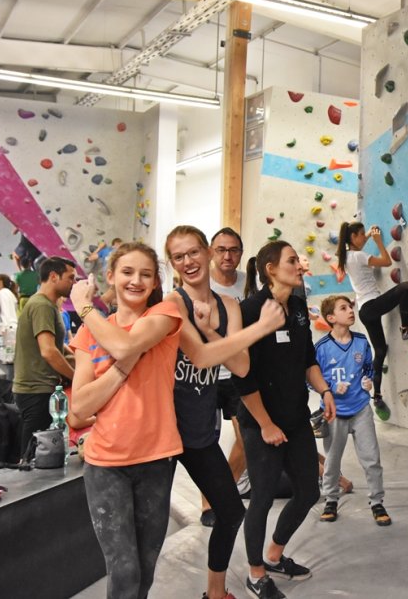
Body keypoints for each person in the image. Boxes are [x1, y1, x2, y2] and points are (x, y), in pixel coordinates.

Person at [164, 225, 286, 599]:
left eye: (193, 252)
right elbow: (199, 356)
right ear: (172, 263)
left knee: (231, 512)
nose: (188, 262)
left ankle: (215, 594)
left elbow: (242, 366)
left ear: (207, 253)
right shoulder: (172, 304)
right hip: (163, 431)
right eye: (179, 256)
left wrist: (214, 331)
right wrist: (261, 327)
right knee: (149, 531)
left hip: (198, 431)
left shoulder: (228, 305)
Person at [69, 242, 182, 599]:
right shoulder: (90, 333)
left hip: (156, 458)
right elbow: (78, 409)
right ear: (111, 276)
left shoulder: (164, 314)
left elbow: (120, 346)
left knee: (145, 571)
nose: (136, 281)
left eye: (146, 274)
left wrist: (84, 306)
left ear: (154, 283)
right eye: (128, 272)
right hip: (106, 465)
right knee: (123, 570)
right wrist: (122, 371)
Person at [235, 241, 336, 599]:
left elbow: (308, 358)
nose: (299, 266)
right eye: (292, 261)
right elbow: (242, 378)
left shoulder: (297, 307)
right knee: (261, 496)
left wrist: (324, 391)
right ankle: (255, 573)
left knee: (309, 490)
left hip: (294, 417)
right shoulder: (249, 310)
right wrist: (265, 424)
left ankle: (274, 554)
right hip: (260, 421)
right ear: (270, 269)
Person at [314, 295, 390, 527]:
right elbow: (310, 379)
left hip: (360, 409)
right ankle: (331, 500)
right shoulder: (322, 348)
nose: (350, 311)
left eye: (351, 307)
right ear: (331, 317)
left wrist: (368, 381)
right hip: (334, 412)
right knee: (333, 460)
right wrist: (329, 388)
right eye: (344, 308)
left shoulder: (361, 342)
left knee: (371, 458)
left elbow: (368, 367)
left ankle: (377, 502)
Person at [336, 222, 408, 422]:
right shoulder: (358, 256)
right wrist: (378, 241)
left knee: (381, 351)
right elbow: (385, 261)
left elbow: (358, 243)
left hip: (365, 310)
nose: (363, 239)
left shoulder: (347, 256)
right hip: (372, 305)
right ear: (353, 237)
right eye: (360, 235)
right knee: (406, 287)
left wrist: (367, 234)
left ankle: (376, 396)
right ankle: (406, 327)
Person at [12, 257, 76, 456]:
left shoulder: (47, 305)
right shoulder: (42, 306)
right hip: (36, 390)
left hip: (38, 389)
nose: (73, 283)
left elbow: (57, 345)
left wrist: (76, 356)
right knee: (32, 455)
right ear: (54, 276)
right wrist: (76, 377)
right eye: (70, 278)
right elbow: (48, 351)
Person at [208, 227, 251, 506]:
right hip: (207, 374)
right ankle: (209, 504)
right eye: (221, 249)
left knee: (247, 439)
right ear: (212, 252)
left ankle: (226, 491)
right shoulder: (202, 285)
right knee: (205, 446)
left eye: (233, 250)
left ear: (241, 254)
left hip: (239, 374)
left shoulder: (250, 282)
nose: (227, 255)